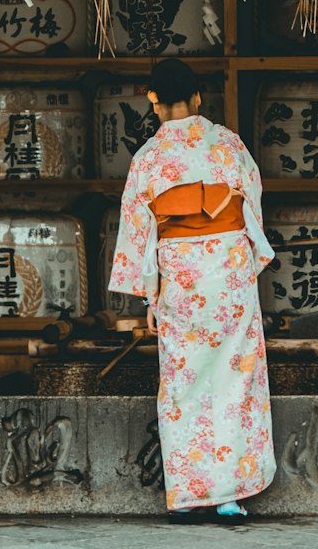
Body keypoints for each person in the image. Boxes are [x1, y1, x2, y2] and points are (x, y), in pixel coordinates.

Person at [108, 58, 276, 524]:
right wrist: (240, 258)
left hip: (181, 277)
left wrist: (149, 292)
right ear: (199, 97)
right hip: (228, 274)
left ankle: (186, 496)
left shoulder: (148, 159)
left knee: (183, 384)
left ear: (154, 101)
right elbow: (252, 206)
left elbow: (139, 230)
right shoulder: (228, 145)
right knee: (235, 380)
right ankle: (229, 496)